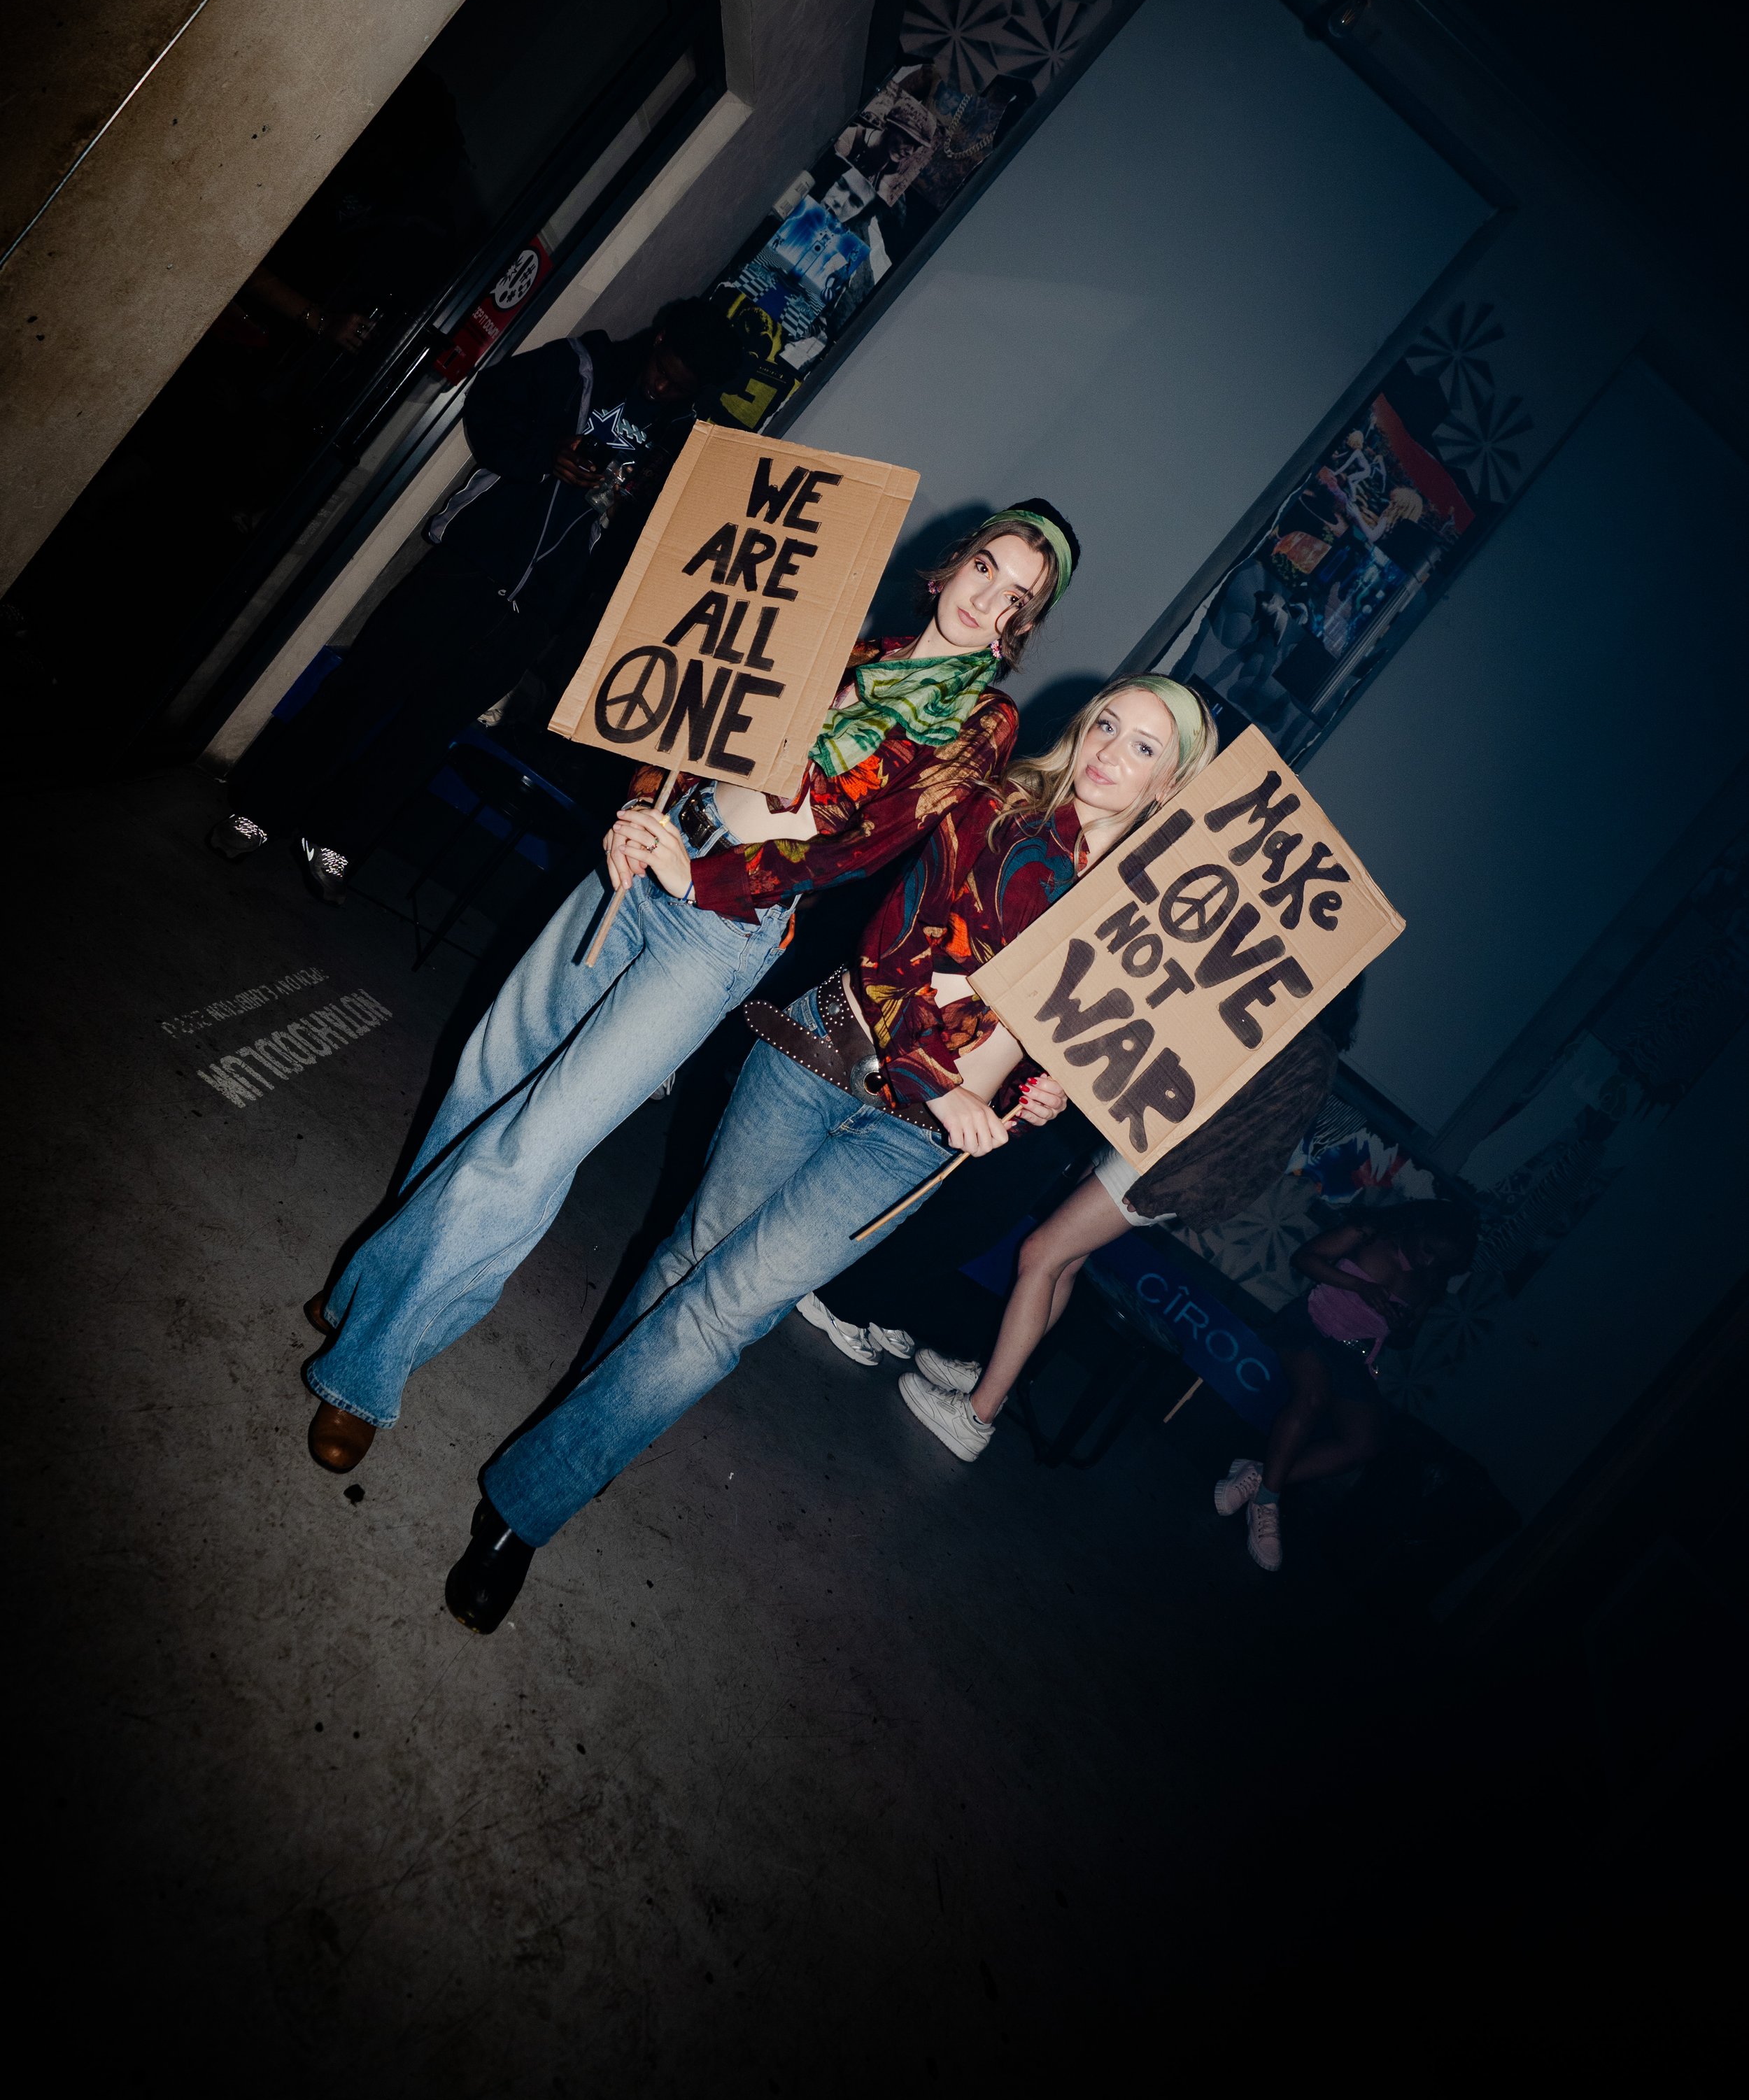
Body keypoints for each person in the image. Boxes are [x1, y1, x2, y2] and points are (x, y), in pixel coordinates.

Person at [300, 502, 1082, 1472]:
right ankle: (370, 1291)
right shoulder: (841, 637)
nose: (988, 600)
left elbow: (860, 842)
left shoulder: (979, 720)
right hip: (645, 851)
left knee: (538, 1142)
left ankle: (365, 1371)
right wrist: (638, 805)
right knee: (484, 1082)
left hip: (722, 924)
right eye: (985, 569)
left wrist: (700, 877)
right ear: (948, 566)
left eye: (1018, 597)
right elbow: (696, 706)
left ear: (1022, 625)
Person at [439, 671, 1218, 1632]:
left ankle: (531, 1501)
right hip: (826, 1051)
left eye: (1144, 744)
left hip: (915, 1140)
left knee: (727, 1312)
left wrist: (1035, 1088)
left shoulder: (1139, 926)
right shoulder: (998, 807)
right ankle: (590, 1436)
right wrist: (951, 1075)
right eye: (1108, 722)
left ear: (1171, 780)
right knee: (689, 1255)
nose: (1110, 750)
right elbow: (904, 953)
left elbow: (1054, 1032)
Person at [212, 298, 742, 900]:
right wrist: (549, 453)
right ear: (658, 334)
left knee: (430, 727)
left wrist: (641, 506)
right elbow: (489, 402)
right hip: (470, 564)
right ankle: (259, 811)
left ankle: (337, 842)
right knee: (363, 686)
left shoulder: (681, 437)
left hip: (537, 610)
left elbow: (656, 544)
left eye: (680, 386)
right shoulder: (579, 366)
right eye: (663, 368)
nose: (663, 385)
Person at [895, 982, 1364, 1451]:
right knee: (1062, 1263)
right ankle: (991, 1373)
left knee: (1042, 1254)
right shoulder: (1308, 1043)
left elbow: (1242, 1135)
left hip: (1166, 1163)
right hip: (1153, 1149)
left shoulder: (1304, 1043)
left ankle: (978, 1415)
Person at [1213, 1198, 1475, 1573]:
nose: (1430, 1262)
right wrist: (1359, 1287)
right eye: (1428, 1250)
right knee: (1312, 1398)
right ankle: (1267, 1502)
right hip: (1310, 1327)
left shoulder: (1430, 1283)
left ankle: (1260, 1474)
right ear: (1417, 1228)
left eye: (1442, 1261)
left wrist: (1401, 1326)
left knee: (1366, 1443)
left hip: (1353, 1359)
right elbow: (1305, 1259)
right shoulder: (1369, 1234)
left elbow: (1405, 1340)